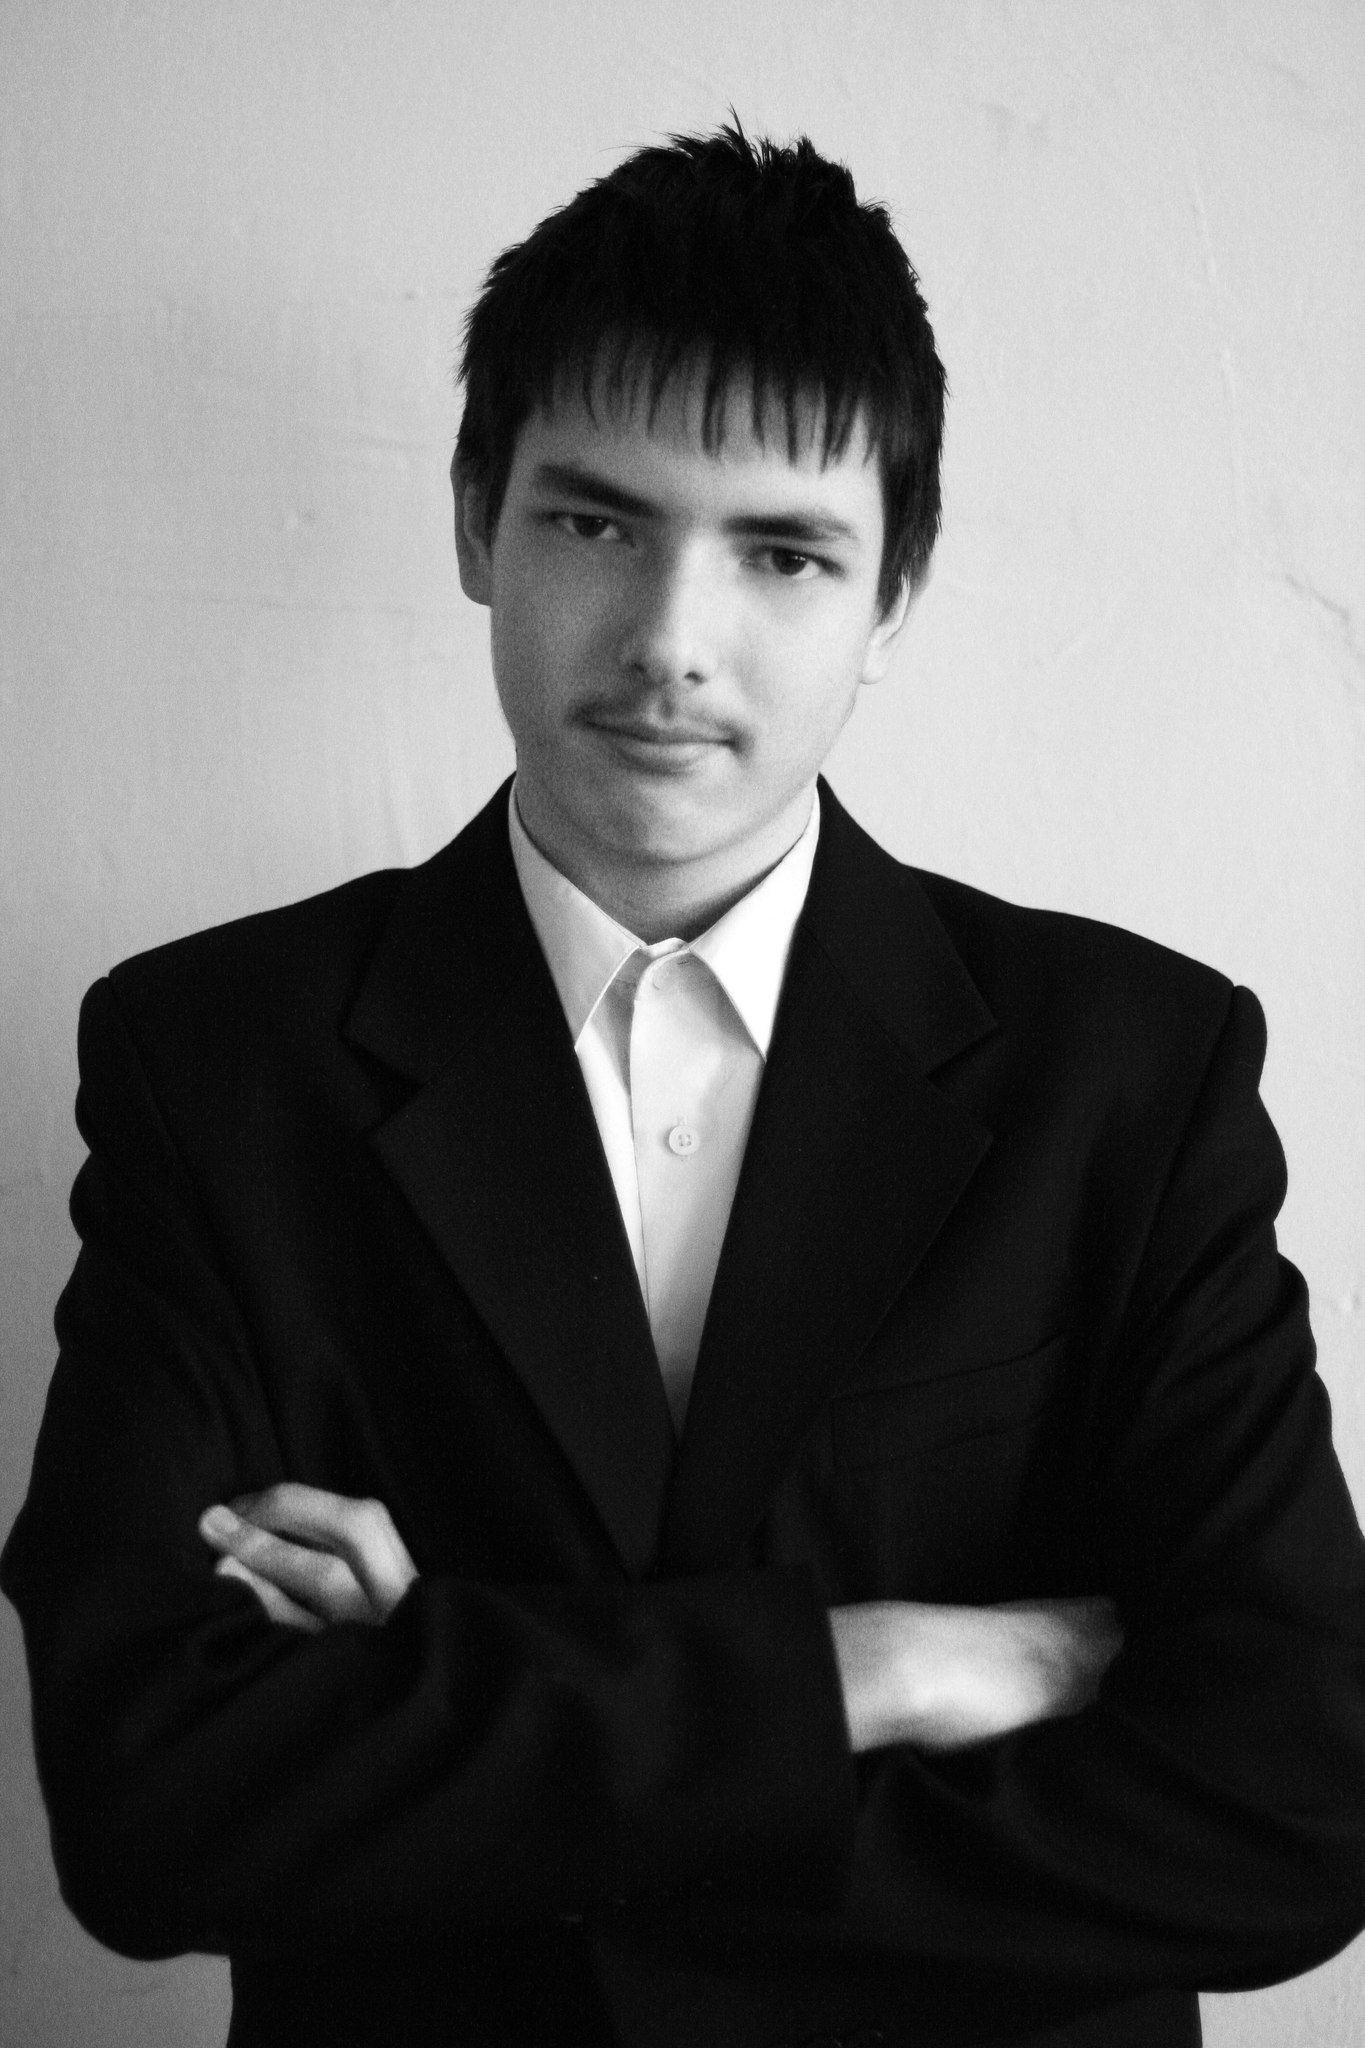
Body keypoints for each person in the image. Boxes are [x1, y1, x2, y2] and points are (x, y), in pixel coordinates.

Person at [5, 122, 1365, 2048]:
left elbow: (1292, 1803)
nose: (668, 644)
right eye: (592, 524)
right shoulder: (212, 1062)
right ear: (473, 520)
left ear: (893, 594)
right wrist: (869, 1674)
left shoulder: (1131, 1070)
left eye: (782, 553)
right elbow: (153, 1808)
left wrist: (452, 1693)